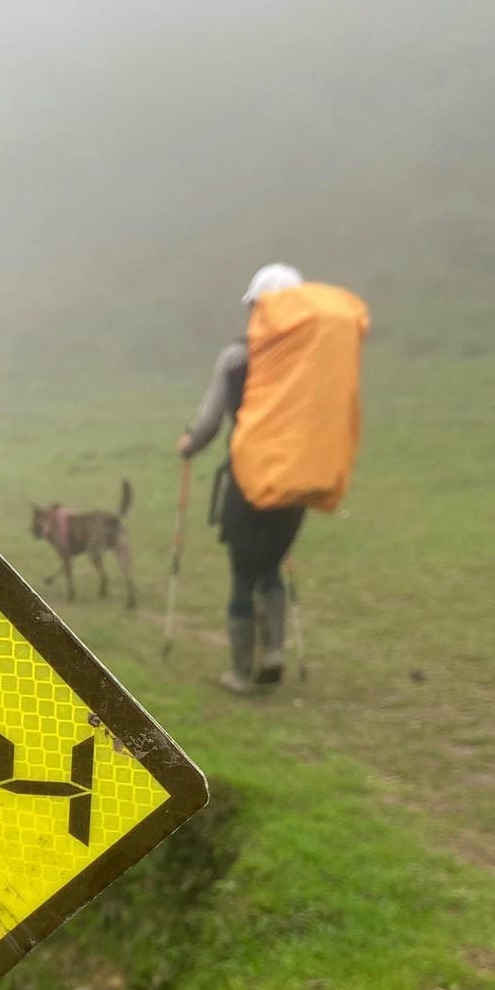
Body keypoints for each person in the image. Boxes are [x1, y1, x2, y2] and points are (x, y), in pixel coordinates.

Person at [177, 263, 306, 693]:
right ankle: (274, 652)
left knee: (242, 572)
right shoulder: (309, 357)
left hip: (247, 477)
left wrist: (189, 444)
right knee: (271, 563)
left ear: (256, 307)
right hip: (294, 477)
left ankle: (240, 673)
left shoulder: (236, 357)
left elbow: (209, 423)